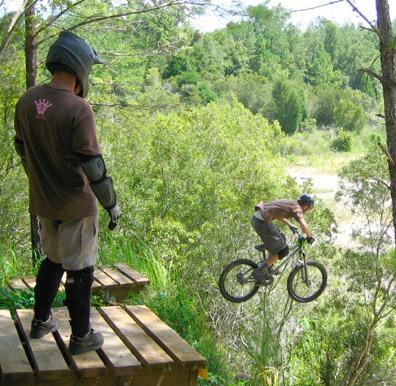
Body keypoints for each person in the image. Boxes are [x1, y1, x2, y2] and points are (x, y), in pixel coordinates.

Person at [14, 31, 120, 355]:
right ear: (80, 68)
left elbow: (21, 148)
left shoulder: (27, 100)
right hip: (76, 203)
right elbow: (94, 166)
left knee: (53, 260)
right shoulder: (78, 108)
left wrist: (40, 177)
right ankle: (82, 336)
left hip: (44, 202)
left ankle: (41, 320)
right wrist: (112, 205)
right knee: (81, 268)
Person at [251, 194, 314, 282]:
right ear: (306, 205)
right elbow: (303, 225)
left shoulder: (291, 203)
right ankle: (259, 272)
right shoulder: (298, 209)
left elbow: (276, 213)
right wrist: (310, 237)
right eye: (309, 208)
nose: (307, 210)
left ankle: (269, 265)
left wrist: (289, 224)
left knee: (282, 238)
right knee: (283, 251)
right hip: (262, 221)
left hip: (256, 218)